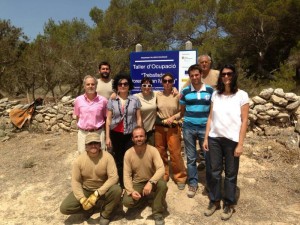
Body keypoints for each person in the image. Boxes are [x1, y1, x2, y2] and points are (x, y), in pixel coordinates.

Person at [203, 64, 249, 220]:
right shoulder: (216, 94)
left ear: (234, 75)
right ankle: (214, 200)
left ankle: (229, 204)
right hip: (214, 138)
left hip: (232, 140)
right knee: (214, 172)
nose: (226, 77)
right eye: (223, 75)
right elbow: (211, 117)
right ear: (220, 77)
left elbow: (244, 121)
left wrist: (240, 144)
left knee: (230, 174)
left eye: (229, 74)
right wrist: (206, 137)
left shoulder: (242, 95)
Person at [60, 132, 122, 225]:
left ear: (100, 145)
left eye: (96, 143)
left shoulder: (108, 157)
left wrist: (97, 193)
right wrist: (82, 199)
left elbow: (114, 177)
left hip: (103, 189)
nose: (93, 146)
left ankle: (105, 214)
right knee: (65, 208)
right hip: (87, 189)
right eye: (90, 143)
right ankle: (89, 209)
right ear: (86, 146)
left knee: (117, 190)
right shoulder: (79, 160)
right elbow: (75, 181)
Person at [179, 64, 214, 198]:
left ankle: (210, 184)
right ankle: (193, 183)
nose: (194, 77)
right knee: (191, 157)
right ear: (189, 76)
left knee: (208, 157)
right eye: (192, 75)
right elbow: (182, 111)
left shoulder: (210, 91)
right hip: (188, 127)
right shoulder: (186, 91)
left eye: (197, 75)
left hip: (205, 129)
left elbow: (213, 111)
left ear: (201, 75)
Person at [123, 126, 167, 225]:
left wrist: (151, 182)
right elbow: (127, 175)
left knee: (163, 185)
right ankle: (143, 199)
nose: (139, 139)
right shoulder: (128, 153)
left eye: (141, 136)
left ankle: (157, 212)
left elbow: (161, 169)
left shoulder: (152, 150)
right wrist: (131, 191)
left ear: (146, 137)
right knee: (127, 201)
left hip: (151, 180)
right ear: (132, 138)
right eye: (136, 137)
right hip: (137, 182)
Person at [106, 73, 142, 188]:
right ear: (116, 86)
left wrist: (139, 133)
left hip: (130, 134)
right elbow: (108, 119)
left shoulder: (135, 100)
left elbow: (139, 118)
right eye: (120, 84)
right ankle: (122, 185)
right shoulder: (112, 100)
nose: (123, 86)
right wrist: (107, 137)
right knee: (119, 159)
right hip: (116, 134)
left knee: (131, 158)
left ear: (129, 85)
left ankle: (132, 181)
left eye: (125, 84)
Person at [155, 73, 187, 190]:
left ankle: (180, 177)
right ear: (162, 82)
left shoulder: (177, 95)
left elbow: (182, 111)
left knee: (175, 153)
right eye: (165, 81)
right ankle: (164, 174)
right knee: (160, 152)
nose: (167, 83)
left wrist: (173, 118)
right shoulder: (157, 95)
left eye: (169, 81)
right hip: (159, 128)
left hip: (173, 127)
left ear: (173, 82)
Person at [74, 75, 107, 153]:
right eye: (88, 84)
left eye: (93, 84)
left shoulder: (103, 100)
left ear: (96, 85)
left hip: (98, 133)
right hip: (83, 133)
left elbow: (106, 118)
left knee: (100, 156)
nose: (90, 86)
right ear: (84, 86)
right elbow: (77, 117)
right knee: (83, 156)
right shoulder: (78, 100)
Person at [134, 77, 157, 146]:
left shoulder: (155, 94)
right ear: (141, 86)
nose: (146, 87)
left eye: (149, 85)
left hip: (152, 131)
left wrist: (174, 89)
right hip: (140, 131)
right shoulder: (135, 97)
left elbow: (166, 92)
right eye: (144, 85)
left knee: (151, 151)